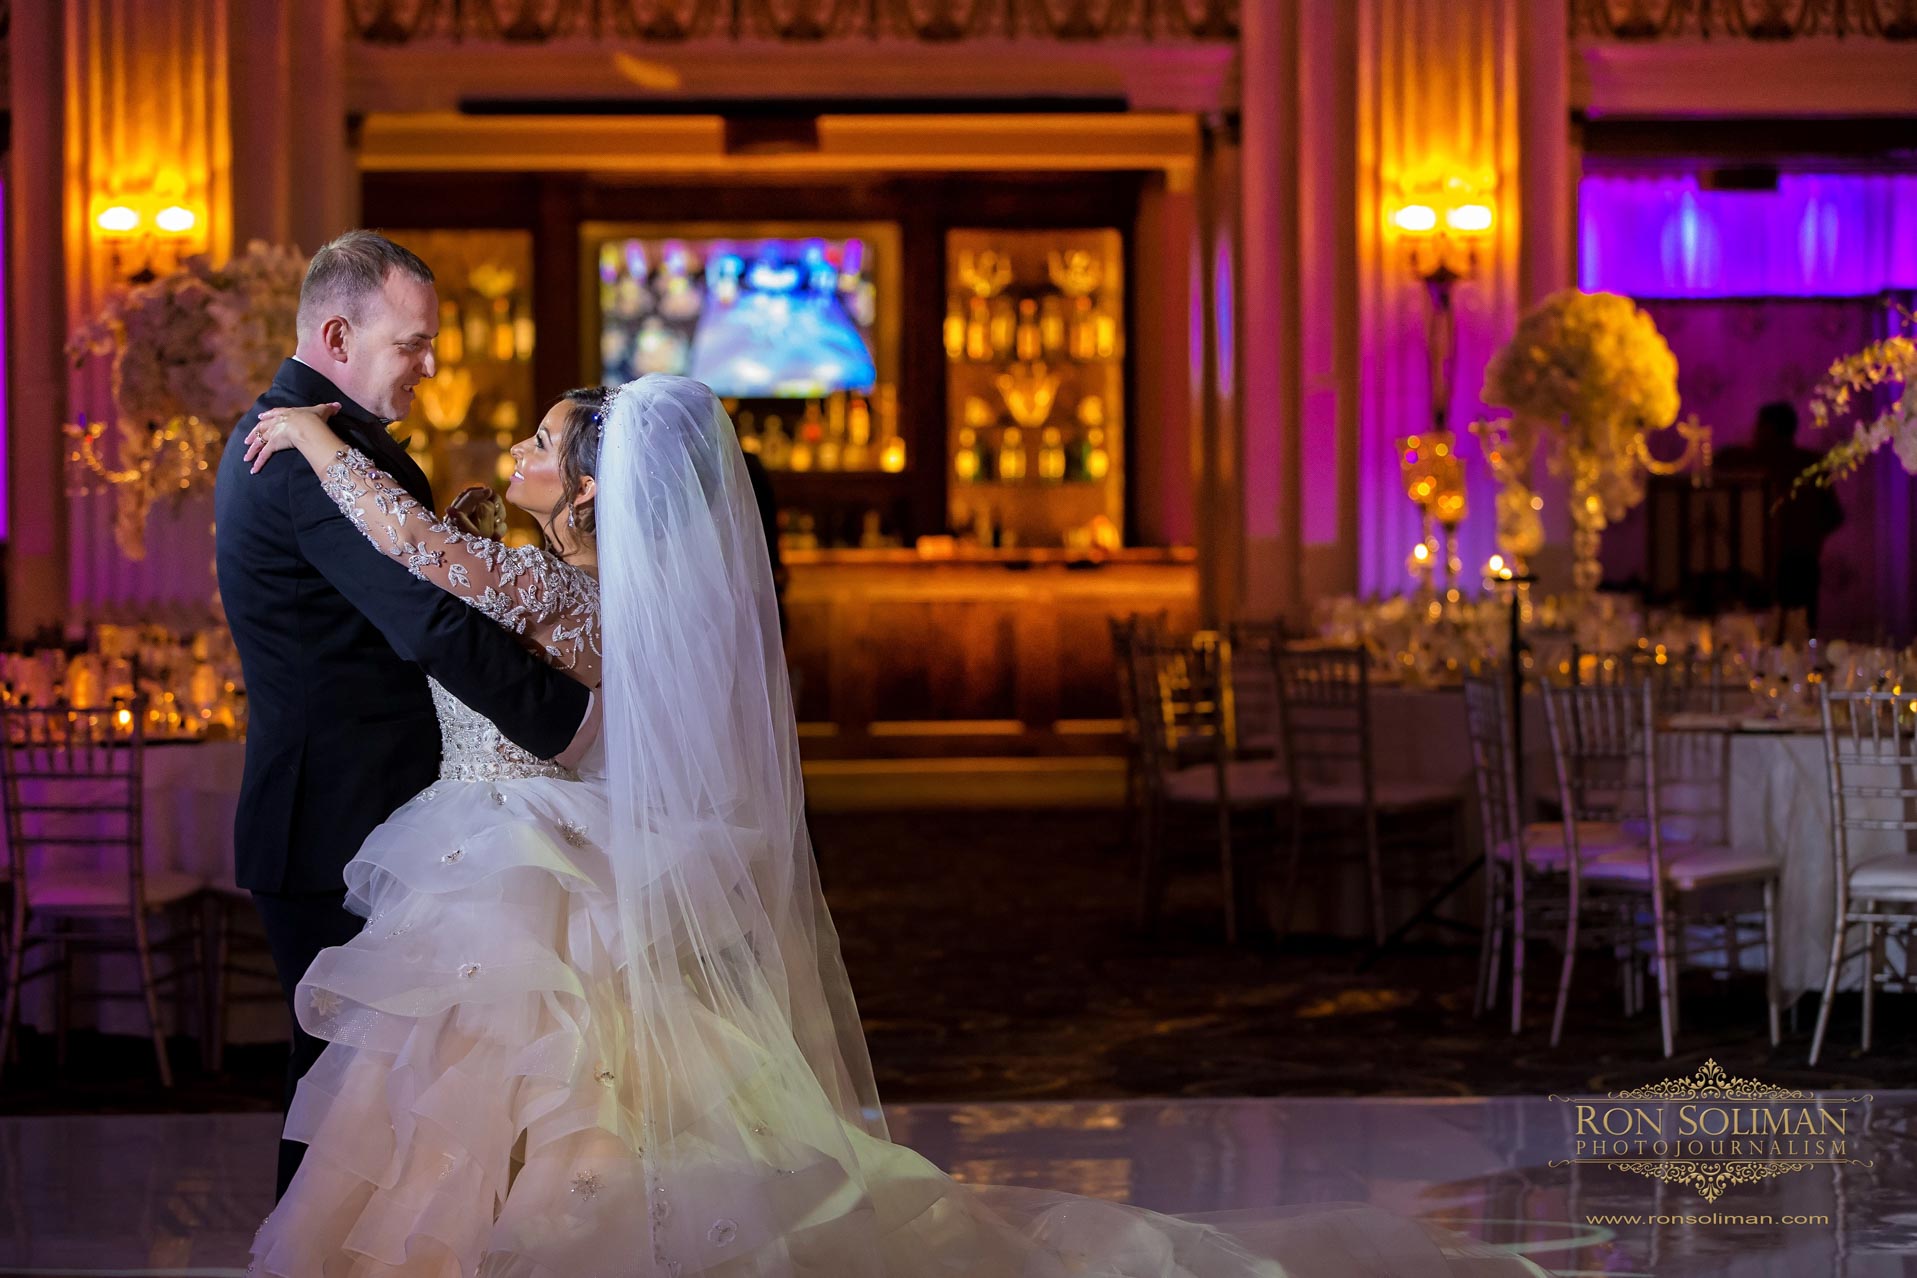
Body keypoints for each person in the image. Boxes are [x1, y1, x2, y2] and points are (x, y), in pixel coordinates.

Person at [240, 375, 1542, 1277]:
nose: (511, 453)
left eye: (535, 444)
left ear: (585, 494)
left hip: (525, 869)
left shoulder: (535, 585)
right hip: (567, 862)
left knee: (517, 1082)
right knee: (600, 1084)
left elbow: (408, 542)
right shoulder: (609, 596)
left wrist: (311, 440)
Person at [212, 230, 599, 1201]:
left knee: (372, 1101)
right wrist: (565, 725)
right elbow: (421, 622)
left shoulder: (315, 439)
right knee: (342, 1108)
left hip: (367, 815)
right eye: (413, 345)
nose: (432, 366)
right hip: (332, 824)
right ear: (337, 334)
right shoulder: (304, 459)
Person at [1713, 400, 1844, 636]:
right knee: (1798, 639)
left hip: (1758, 568)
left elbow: (1719, 463)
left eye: (1759, 426)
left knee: (1754, 639)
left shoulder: (1749, 461)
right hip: (1798, 564)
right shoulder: (1811, 465)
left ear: (1768, 428)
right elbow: (1833, 516)